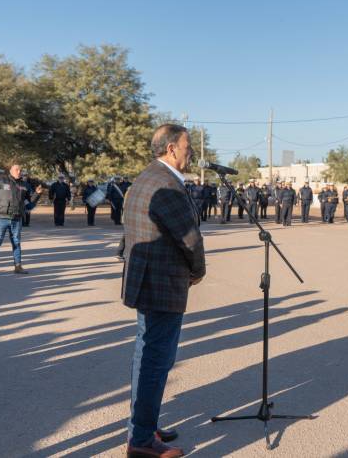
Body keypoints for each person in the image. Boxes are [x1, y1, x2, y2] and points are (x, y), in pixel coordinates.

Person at [122, 123, 205, 458]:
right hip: (161, 282)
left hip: (147, 279)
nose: (191, 153)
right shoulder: (166, 183)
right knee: (156, 360)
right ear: (172, 148)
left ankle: (143, 425)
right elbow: (190, 237)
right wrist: (198, 271)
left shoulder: (146, 177)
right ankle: (141, 441)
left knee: (147, 356)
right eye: (188, 147)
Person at [0, 161, 43, 277]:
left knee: (16, 242)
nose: (19, 172)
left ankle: (18, 266)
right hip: (1, 217)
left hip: (16, 218)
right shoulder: (2, 181)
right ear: (11, 171)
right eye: (16, 170)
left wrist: (37, 194)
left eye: (20, 170)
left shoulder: (25, 185)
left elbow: (29, 204)